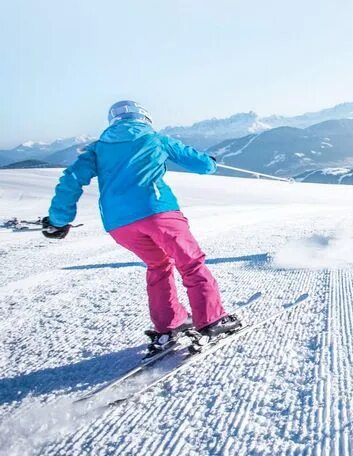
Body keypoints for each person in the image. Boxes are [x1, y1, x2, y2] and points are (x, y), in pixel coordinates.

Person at [42, 100, 242, 354]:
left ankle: (169, 326)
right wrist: (211, 162)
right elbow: (199, 163)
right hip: (158, 213)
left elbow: (71, 180)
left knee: (158, 265)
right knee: (190, 263)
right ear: (144, 118)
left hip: (119, 225)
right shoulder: (155, 139)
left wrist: (58, 220)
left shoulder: (97, 149)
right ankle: (211, 320)